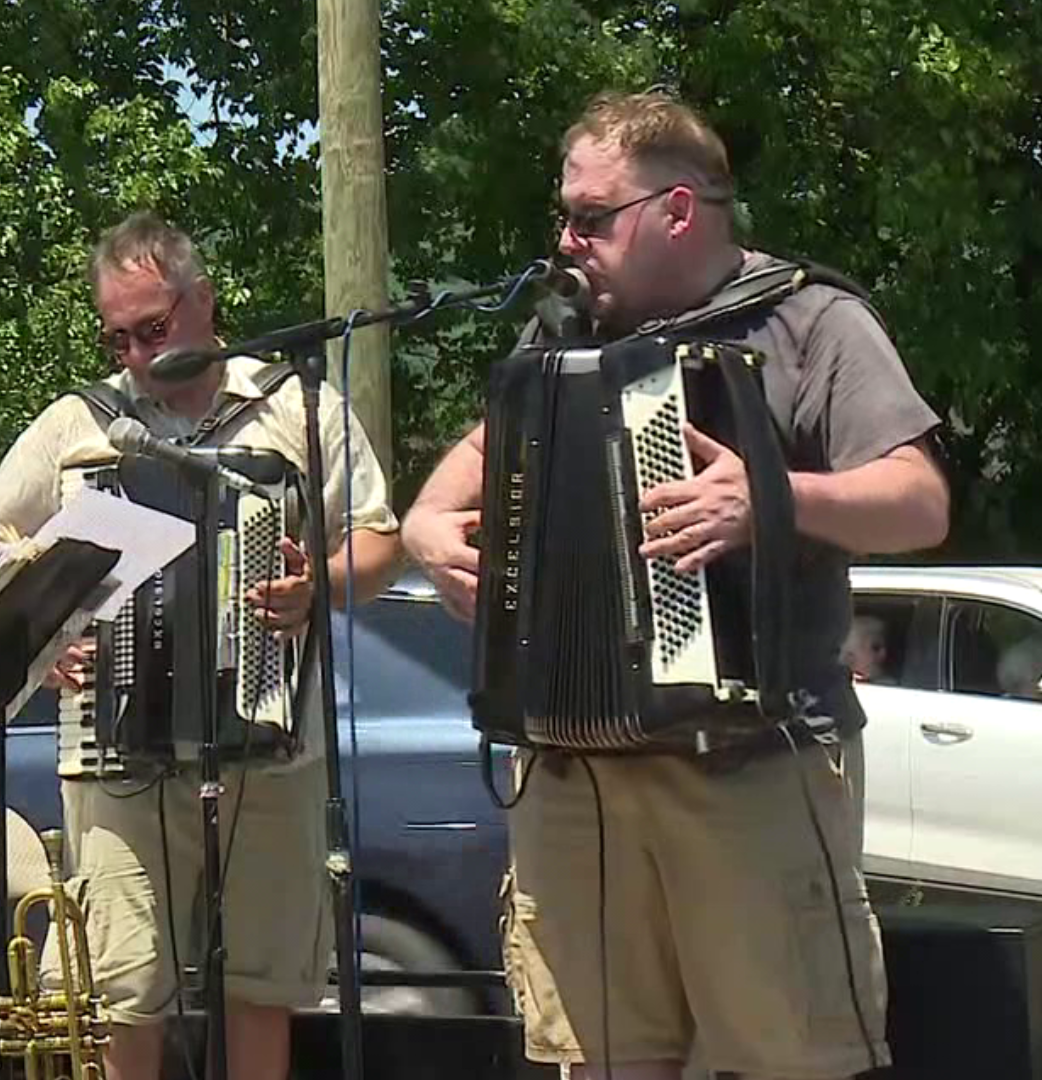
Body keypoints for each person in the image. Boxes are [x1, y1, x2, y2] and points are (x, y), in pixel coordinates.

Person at [402, 91, 949, 1080]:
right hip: (573, 779)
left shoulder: (809, 319)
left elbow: (919, 503)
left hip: (752, 765)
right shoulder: (564, 334)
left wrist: (773, 496)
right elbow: (482, 448)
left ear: (679, 209)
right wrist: (426, 522)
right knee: (599, 1061)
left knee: (789, 1060)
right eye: (563, 215)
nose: (566, 240)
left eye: (591, 218)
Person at [0, 212, 404, 1080]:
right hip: (118, 761)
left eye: (152, 329)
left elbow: (382, 539)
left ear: (204, 302)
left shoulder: (296, 407)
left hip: (273, 752)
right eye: (116, 337)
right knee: (125, 991)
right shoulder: (79, 423)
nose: (135, 355)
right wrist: (39, 632)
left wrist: (319, 590)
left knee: (263, 988)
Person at [839, 614, 894, 684]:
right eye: (875, 648)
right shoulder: (839, 684)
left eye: (851, 655)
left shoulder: (889, 688)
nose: (883, 653)